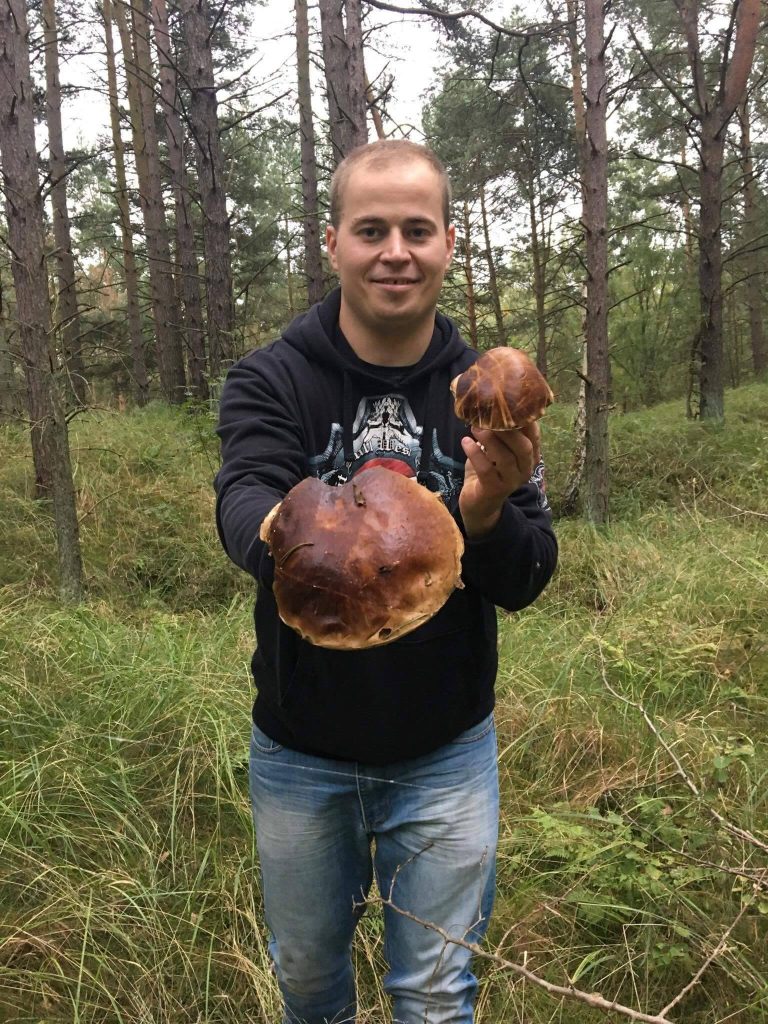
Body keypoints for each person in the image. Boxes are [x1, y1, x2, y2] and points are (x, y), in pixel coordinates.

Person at [214, 139, 557, 1024]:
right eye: (371, 230)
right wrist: (297, 535)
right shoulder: (272, 378)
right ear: (333, 242)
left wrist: (487, 511)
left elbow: (529, 573)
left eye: (416, 229)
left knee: (437, 998)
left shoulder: (487, 395)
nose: (394, 252)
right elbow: (243, 496)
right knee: (309, 984)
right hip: (301, 751)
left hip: (445, 753)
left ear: (448, 243)